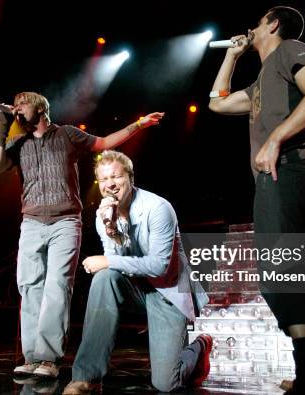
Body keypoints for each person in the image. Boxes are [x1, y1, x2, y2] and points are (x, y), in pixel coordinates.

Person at [208, 6, 305, 394]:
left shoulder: (291, 50)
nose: (250, 27)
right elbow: (217, 103)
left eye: (256, 21)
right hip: (279, 175)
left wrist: (274, 139)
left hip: (287, 169)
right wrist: (231, 55)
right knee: (294, 273)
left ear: (272, 24)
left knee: (279, 273)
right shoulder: (260, 82)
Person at [0, 92, 164, 378]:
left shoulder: (67, 135)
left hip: (65, 221)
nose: (17, 108)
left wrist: (138, 125)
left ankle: (48, 359)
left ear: (41, 108)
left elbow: (105, 143)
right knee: (29, 286)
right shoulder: (17, 143)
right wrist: (4, 125)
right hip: (32, 222)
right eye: (15, 105)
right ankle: (32, 356)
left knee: (57, 285)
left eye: (23, 103)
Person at [62, 150, 211, 394]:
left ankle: (200, 346)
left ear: (130, 177)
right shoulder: (104, 216)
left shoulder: (158, 208)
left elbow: (159, 265)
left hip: (167, 292)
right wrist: (111, 231)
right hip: (136, 289)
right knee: (104, 278)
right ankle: (86, 377)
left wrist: (108, 260)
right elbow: (117, 266)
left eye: (116, 177)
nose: (110, 184)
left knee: (166, 383)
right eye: (103, 179)